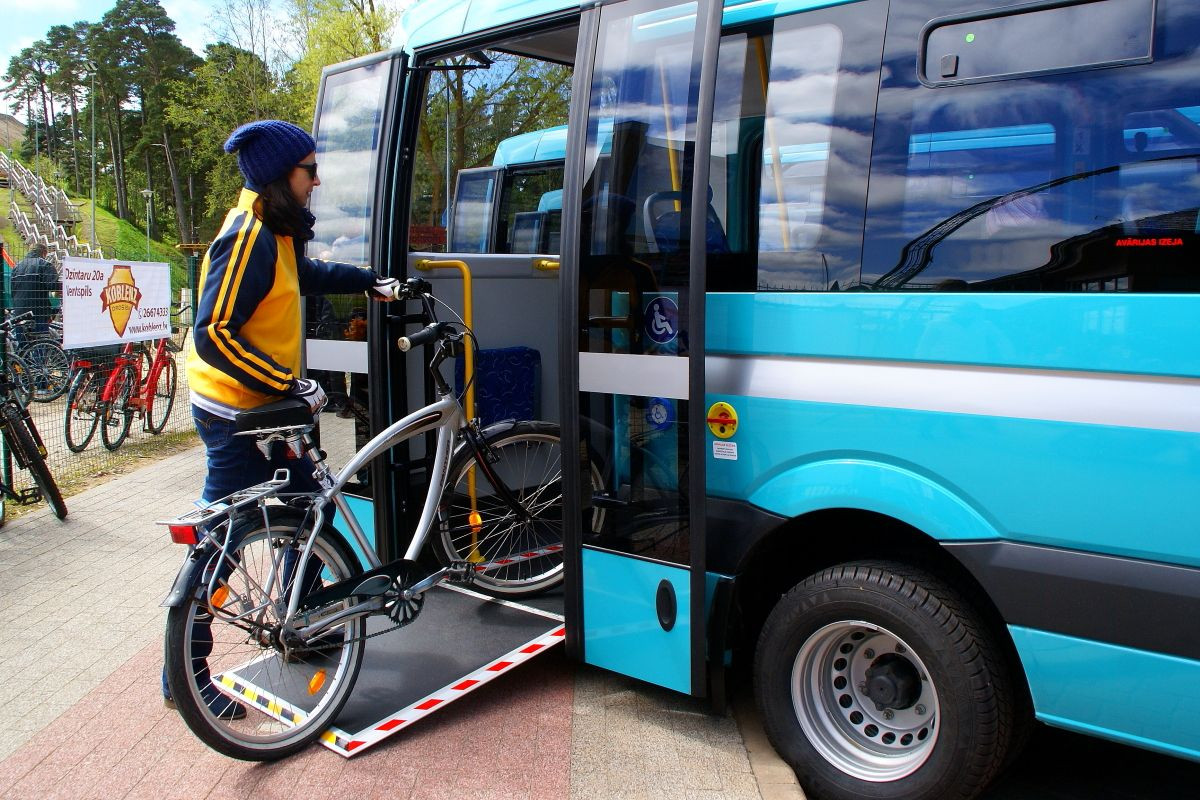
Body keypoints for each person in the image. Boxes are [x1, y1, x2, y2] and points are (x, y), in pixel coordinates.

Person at [165, 119, 399, 716]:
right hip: (235, 414)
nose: (316, 181)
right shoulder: (248, 237)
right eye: (309, 171)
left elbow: (305, 278)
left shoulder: (276, 230)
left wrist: (369, 281)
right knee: (223, 541)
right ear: (280, 175)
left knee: (308, 510)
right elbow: (214, 333)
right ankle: (181, 676)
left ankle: (304, 622)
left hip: (267, 412)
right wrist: (287, 384)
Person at [11, 243, 59, 333]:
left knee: (23, 341)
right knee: (40, 339)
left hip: (19, 314)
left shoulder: (16, 267)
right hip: (39, 312)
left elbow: (13, 291)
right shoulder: (44, 265)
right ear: (44, 253)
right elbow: (54, 286)